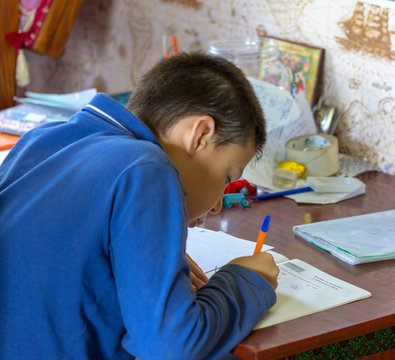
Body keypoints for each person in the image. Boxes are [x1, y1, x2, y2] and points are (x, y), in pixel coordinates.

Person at [0, 52, 279, 360]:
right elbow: (171, 348)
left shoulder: (43, 138)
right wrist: (243, 281)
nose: (217, 206)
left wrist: (135, 251)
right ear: (200, 135)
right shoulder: (147, 168)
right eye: (227, 177)